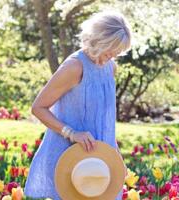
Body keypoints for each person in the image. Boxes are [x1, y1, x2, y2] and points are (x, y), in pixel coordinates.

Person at [25, 11, 131, 200]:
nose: (113, 56)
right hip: (69, 159)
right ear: (99, 40)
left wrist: (113, 153)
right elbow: (38, 108)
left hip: (99, 163)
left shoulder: (110, 67)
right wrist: (72, 133)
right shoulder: (74, 67)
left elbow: (104, 119)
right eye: (111, 51)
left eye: (117, 52)